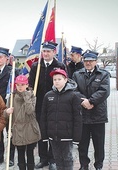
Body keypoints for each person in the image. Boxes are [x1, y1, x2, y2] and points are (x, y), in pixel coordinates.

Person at [28, 41, 66, 170]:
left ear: (54, 52)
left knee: (54, 132)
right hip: (39, 105)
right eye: (44, 51)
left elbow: (65, 83)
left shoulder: (59, 66)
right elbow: (31, 85)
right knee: (41, 132)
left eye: (48, 51)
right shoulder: (36, 66)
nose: (45, 53)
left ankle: (53, 159)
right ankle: (43, 158)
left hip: (55, 104)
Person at [72, 50, 110, 170]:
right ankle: (84, 165)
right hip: (82, 114)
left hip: (98, 115)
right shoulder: (77, 74)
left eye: (91, 60)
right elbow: (74, 90)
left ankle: (98, 165)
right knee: (82, 144)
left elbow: (104, 91)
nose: (88, 63)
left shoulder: (103, 74)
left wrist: (91, 101)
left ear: (96, 61)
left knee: (99, 144)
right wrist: (84, 102)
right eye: (86, 60)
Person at [40, 68, 82, 170]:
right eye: (55, 80)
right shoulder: (48, 95)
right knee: (57, 158)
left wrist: (76, 138)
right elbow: (43, 116)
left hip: (67, 135)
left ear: (65, 80)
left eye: (59, 79)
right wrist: (45, 135)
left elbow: (78, 118)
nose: (57, 81)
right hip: (53, 136)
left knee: (67, 159)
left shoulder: (74, 95)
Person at [4, 75, 41, 170]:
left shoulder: (32, 96)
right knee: (20, 155)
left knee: (30, 154)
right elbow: (5, 114)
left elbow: (30, 111)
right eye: (18, 84)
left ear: (27, 85)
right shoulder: (12, 97)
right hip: (18, 130)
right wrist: (7, 112)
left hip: (29, 129)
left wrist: (26, 96)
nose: (20, 87)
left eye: (23, 84)